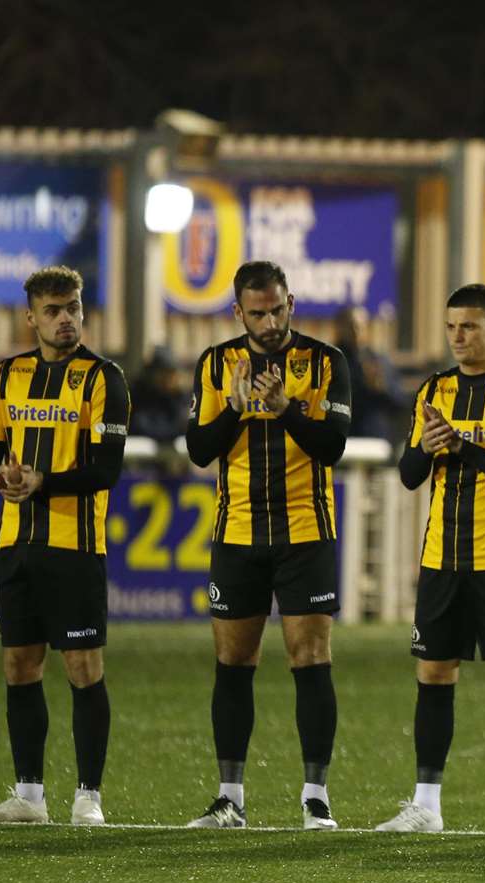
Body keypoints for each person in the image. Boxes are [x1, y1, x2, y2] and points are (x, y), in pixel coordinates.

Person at [373, 284, 485, 835]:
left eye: (470, 326)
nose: (458, 336)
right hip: (441, 559)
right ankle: (426, 804)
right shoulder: (433, 389)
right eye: (452, 326)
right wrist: (426, 447)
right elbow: (408, 476)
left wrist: (463, 446)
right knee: (433, 671)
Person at [182, 260, 352, 831]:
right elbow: (200, 450)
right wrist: (233, 407)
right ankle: (230, 798)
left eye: (278, 308)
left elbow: (333, 446)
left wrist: (286, 409)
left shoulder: (326, 363)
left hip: (306, 532)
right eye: (258, 312)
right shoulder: (215, 365)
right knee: (233, 663)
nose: (270, 320)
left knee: (310, 659)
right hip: (237, 536)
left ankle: (315, 797)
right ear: (238, 313)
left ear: (291, 302)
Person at [0, 266, 127, 825]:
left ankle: (89, 796)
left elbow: (106, 469)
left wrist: (43, 482)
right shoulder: (6, 376)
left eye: (74, 308)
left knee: (83, 667)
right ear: (31, 316)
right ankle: (29, 797)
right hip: (16, 545)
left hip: (76, 547)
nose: (67, 319)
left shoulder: (104, 379)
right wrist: (3, 478)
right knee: (19, 666)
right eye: (55, 310)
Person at [333, 306, 407, 443]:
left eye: (361, 326)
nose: (356, 332)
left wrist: (381, 388)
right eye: (351, 326)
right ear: (340, 328)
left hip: (376, 442)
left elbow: (398, 404)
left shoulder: (379, 361)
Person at [128, 345, 190, 442]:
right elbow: (141, 427)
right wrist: (179, 429)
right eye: (164, 373)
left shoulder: (177, 396)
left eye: (172, 374)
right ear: (152, 373)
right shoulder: (140, 394)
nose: (169, 380)